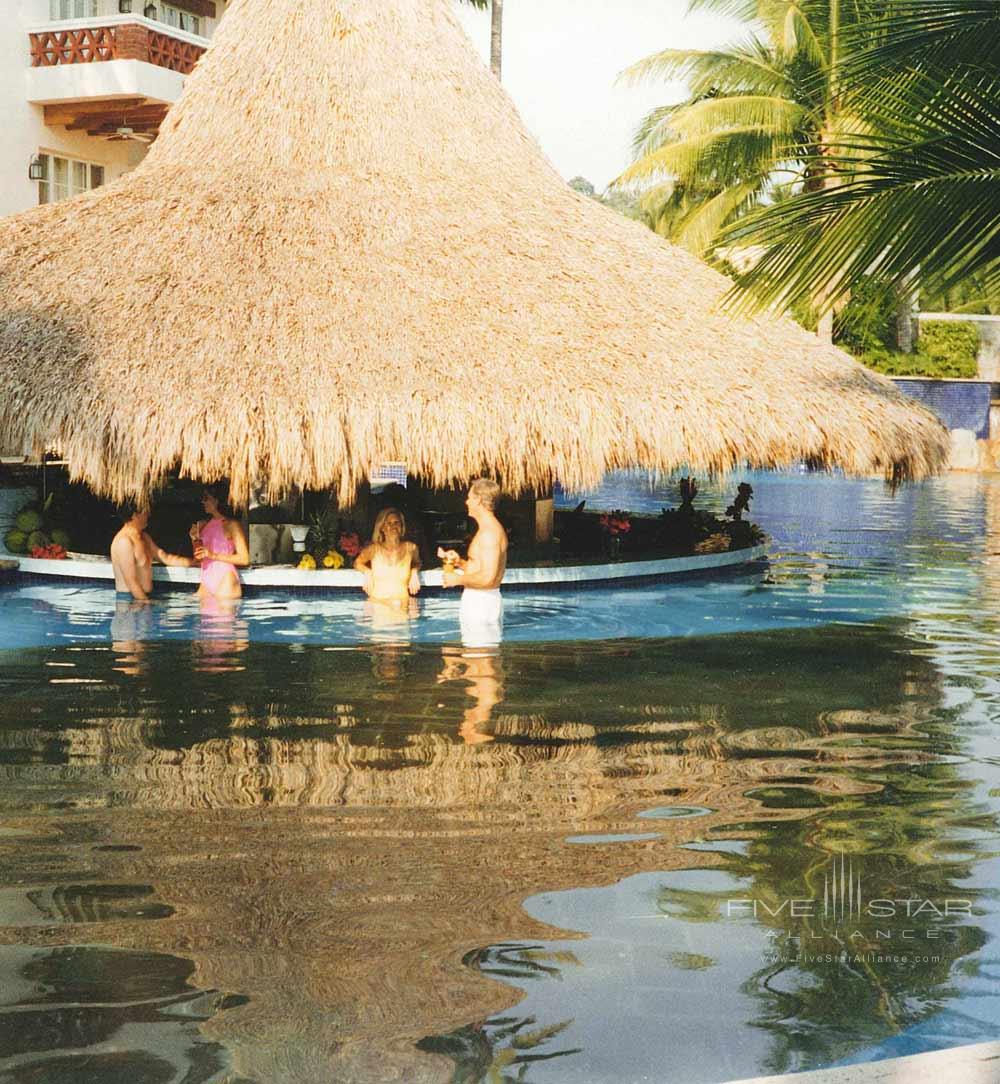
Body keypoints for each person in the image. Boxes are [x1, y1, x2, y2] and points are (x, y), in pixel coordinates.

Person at [439, 478, 508, 648]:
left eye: (469, 497)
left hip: (482, 603)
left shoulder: (490, 534)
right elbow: (479, 568)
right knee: (474, 663)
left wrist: (457, 580)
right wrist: (460, 563)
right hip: (479, 600)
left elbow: (488, 578)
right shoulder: (486, 531)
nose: (466, 501)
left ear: (478, 500)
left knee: (481, 666)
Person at [110, 504, 195, 602]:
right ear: (135, 515)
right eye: (145, 512)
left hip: (144, 598)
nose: (148, 515)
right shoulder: (124, 542)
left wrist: (192, 562)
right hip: (130, 602)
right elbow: (131, 581)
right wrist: (146, 603)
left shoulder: (144, 537)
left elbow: (165, 557)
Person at [354, 507, 421, 608]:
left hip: (403, 605)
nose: (393, 526)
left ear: (401, 526)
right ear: (382, 528)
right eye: (388, 523)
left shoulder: (410, 548)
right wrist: (367, 572)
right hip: (378, 605)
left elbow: (417, 562)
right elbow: (357, 563)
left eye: (396, 522)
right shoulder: (374, 549)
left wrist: (414, 572)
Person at [190, 485, 249, 600]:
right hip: (206, 579)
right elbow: (198, 559)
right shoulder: (203, 524)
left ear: (217, 501)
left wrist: (212, 555)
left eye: (206, 498)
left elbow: (244, 559)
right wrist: (194, 540)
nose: (203, 502)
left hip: (225, 578)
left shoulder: (232, 525)